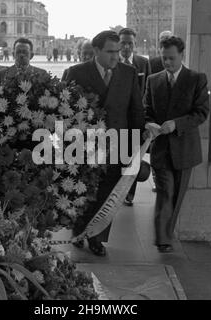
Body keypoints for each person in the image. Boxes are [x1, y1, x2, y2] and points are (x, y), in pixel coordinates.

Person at [63, 31, 145, 256]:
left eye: (118, 51)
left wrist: (135, 148)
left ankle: (97, 237)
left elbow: (136, 110)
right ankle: (79, 230)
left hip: (118, 144)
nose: (116, 56)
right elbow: (64, 110)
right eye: (110, 52)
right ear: (96, 51)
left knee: (108, 193)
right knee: (84, 190)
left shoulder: (128, 73)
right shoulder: (76, 73)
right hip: (84, 145)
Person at [143, 36, 209, 253]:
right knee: (165, 192)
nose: (168, 63)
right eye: (164, 58)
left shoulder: (196, 79)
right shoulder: (153, 80)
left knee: (177, 195)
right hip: (161, 150)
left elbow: (201, 113)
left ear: (182, 55)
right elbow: (146, 110)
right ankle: (163, 239)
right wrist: (149, 123)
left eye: (171, 58)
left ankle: (167, 234)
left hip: (185, 150)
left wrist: (176, 124)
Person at [118, 28, 152, 207]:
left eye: (130, 43)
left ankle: (129, 194)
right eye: (123, 42)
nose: (126, 46)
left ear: (134, 44)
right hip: (116, 120)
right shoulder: (113, 62)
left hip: (136, 120)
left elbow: (149, 90)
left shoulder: (143, 63)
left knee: (133, 158)